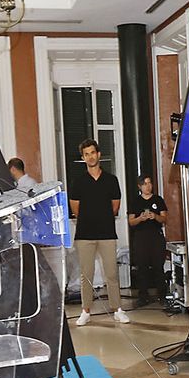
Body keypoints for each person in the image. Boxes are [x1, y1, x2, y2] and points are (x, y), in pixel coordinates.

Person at [69, 138, 129, 325]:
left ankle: (117, 309)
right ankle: (86, 311)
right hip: (85, 234)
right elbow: (75, 208)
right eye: (86, 154)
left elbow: (115, 207)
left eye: (92, 153)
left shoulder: (111, 180)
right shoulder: (78, 181)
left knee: (111, 273)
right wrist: (90, 218)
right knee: (86, 274)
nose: (90, 156)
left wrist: (101, 217)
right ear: (83, 157)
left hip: (107, 233)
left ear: (99, 154)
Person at [127, 175, 168, 307]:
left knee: (158, 266)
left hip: (156, 235)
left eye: (149, 183)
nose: (148, 186)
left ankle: (162, 295)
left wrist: (155, 216)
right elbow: (131, 221)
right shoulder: (136, 201)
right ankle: (143, 296)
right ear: (139, 187)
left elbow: (164, 219)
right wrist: (140, 218)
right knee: (142, 267)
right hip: (140, 236)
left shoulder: (158, 200)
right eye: (145, 184)